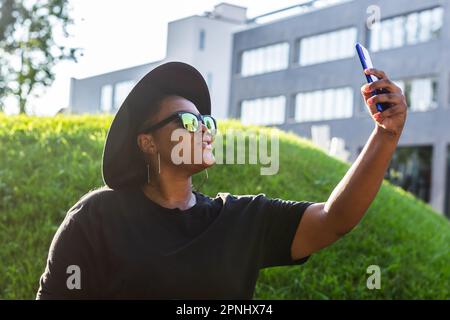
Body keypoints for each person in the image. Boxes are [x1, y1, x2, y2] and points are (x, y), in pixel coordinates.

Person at [36, 62, 407, 299]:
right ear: (147, 141)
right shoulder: (98, 218)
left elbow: (334, 219)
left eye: (206, 122)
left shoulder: (240, 220)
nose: (204, 130)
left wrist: (385, 136)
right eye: (187, 121)